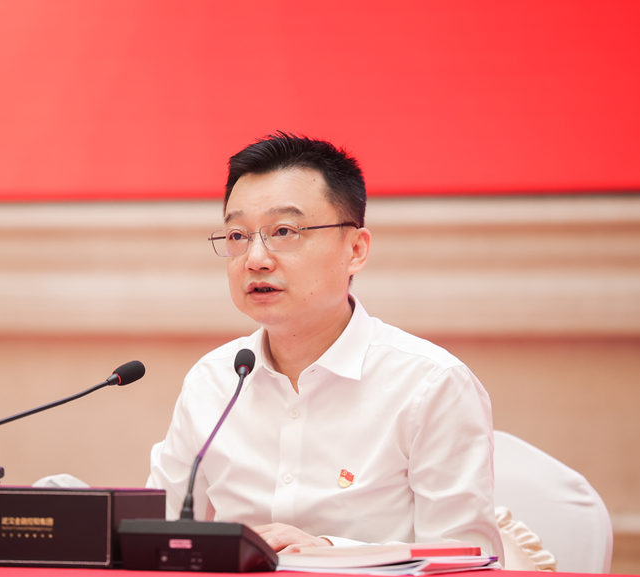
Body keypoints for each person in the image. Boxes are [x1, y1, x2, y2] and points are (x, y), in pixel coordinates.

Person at [147, 133, 503, 558]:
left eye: (284, 231)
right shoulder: (213, 381)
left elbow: (469, 558)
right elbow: (157, 537)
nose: (255, 258)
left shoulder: (430, 385)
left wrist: (332, 553)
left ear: (356, 250)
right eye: (238, 235)